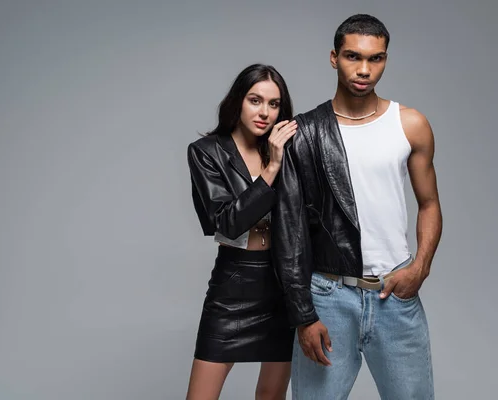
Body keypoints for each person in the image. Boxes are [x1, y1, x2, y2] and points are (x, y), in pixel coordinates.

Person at [271, 14, 443, 399]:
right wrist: (304, 313)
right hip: (328, 297)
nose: (364, 69)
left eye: (376, 58)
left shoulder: (410, 124)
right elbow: (290, 233)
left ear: (385, 59)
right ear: (334, 57)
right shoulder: (304, 133)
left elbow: (429, 204)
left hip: (395, 294)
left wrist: (420, 267)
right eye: (353, 57)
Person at [186, 64, 297, 400]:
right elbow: (228, 223)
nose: (264, 112)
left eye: (274, 104)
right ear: (238, 100)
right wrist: (271, 169)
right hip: (233, 285)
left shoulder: (287, 150)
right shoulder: (207, 152)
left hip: (283, 284)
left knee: (271, 397)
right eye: (255, 100)